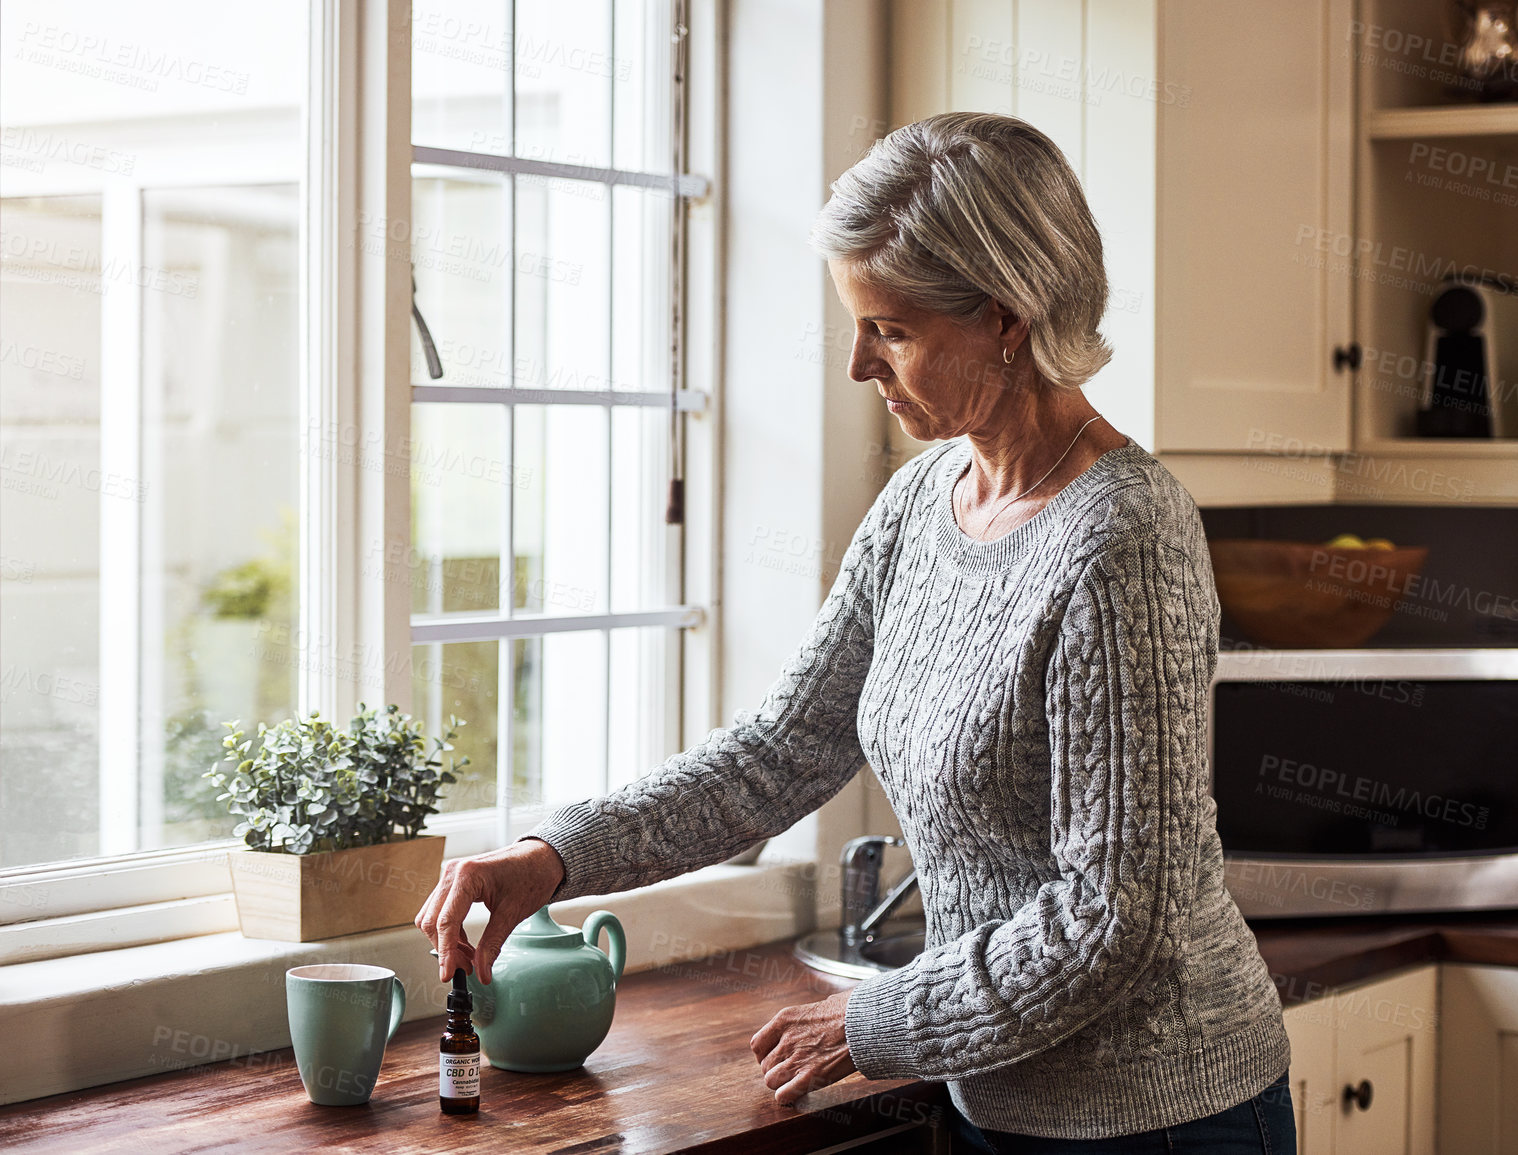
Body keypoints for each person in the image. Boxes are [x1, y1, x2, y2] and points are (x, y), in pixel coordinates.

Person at [417, 111, 1295, 1153]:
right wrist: (556, 855)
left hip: (1159, 1119)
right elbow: (782, 751)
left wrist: (875, 1020)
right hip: (991, 1101)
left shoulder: (1125, 542)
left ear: (1007, 319)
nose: (858, 366)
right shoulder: (924, 502)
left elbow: (1111, 915)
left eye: (892, 329)